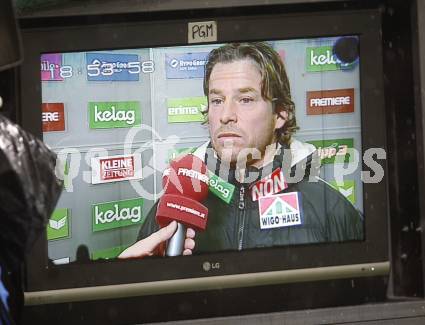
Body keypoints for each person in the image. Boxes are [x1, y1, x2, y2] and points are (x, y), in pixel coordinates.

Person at [119, 42, 363, 259]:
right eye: (217, 100)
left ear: (280, 114)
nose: (225, 115)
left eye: (245, 99)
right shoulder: (176, 205)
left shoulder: (328, 208)